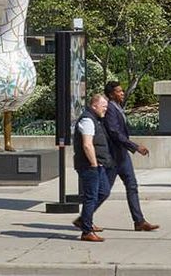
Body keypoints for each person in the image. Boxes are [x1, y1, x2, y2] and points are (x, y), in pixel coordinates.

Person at [103, 81, 158, 232]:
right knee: (104, 190)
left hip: (123, 156)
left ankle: (139, 221)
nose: (122, 93)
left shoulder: (118, 107)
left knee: (132, 186)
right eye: (119, 91)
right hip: (114, 157)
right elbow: (114, 133)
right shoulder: (110, 110)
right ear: (111, 94)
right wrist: (135, 146)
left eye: (122, 91)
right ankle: (85, 219)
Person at [73, 92, 112, 242]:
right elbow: (87, 144)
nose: (105, 109)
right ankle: (86, 231)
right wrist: (94, 164)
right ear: (94, 105)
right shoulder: (87, 120)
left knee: (104, 191)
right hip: (89, 166)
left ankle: (84, 220)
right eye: (103, 106)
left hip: (98, 165)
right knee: (91, 197)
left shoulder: (95, 119)